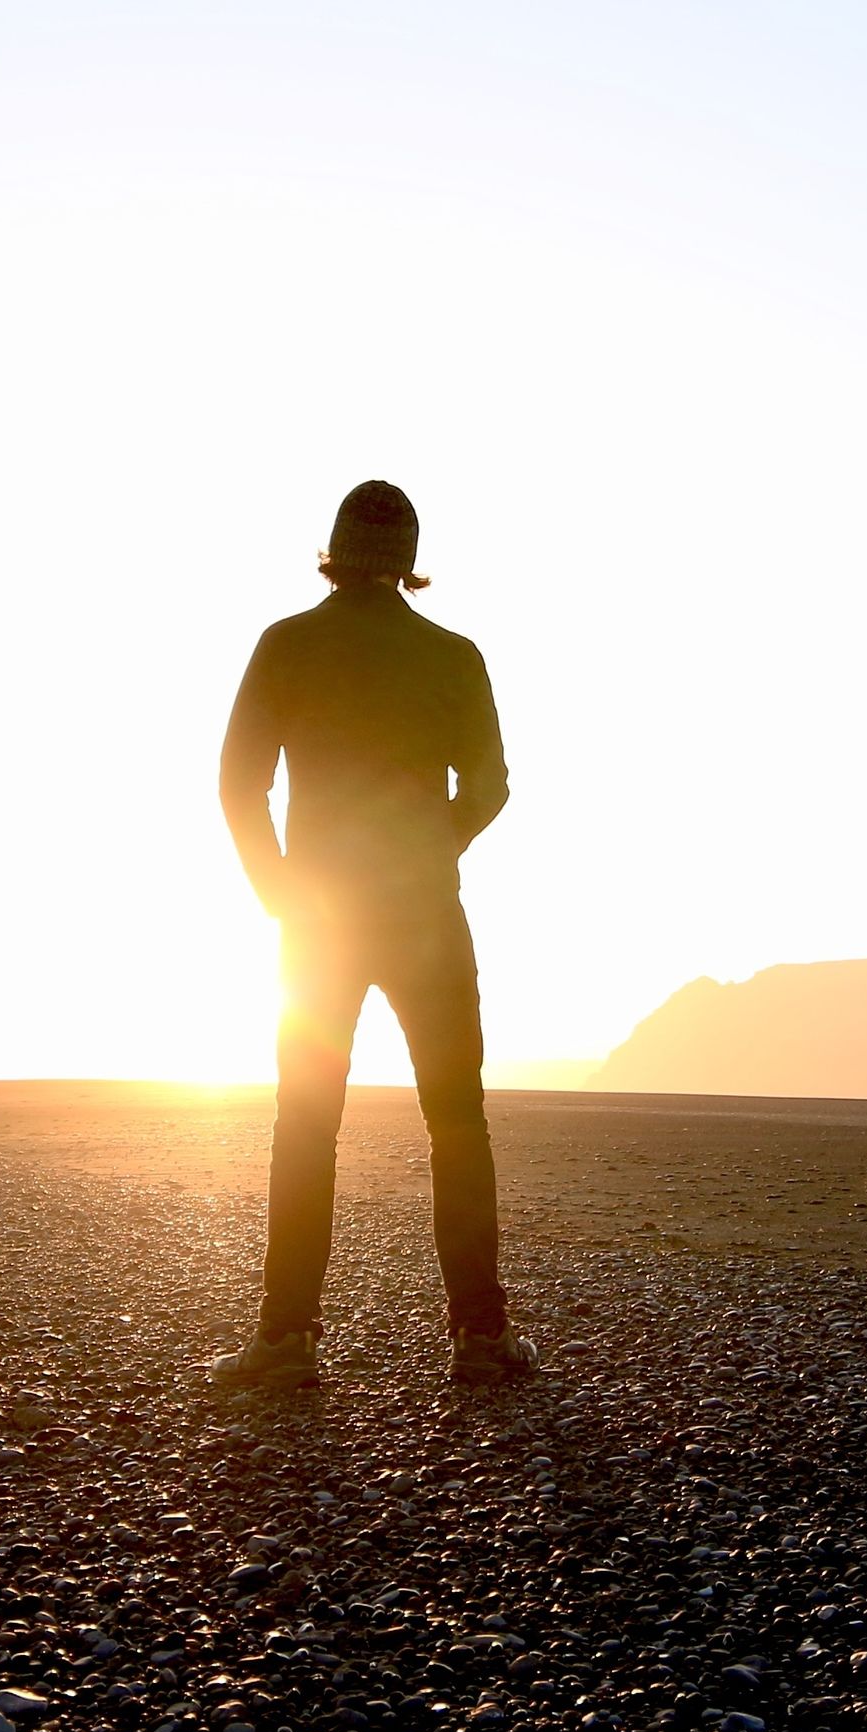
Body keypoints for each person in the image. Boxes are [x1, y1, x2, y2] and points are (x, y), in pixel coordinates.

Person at [210, 480, 535, 1388]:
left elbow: (239, 786)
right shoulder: (452, 655)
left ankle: (285, 1340)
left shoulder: (289, 645)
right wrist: (441, 838)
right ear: (407, 564)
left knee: (307, 1124)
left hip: (318, 920)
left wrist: (277, 892)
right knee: (457, 1120)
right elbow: (491, 783)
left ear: (335, 551)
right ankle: (478, 1336)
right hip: (426, 912)